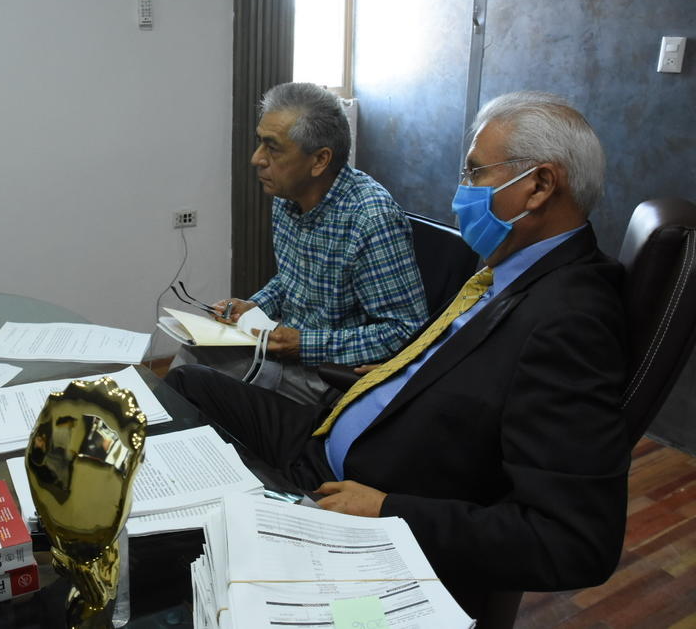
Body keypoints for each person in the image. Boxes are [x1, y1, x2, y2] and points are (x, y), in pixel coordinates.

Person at [166, 91, 629, 618]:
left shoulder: (572, 320)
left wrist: (389, 510)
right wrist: (394, 371)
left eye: (475, 173)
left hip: (366, 486)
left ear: (539, 186)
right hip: (331, 431)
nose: (460, 194)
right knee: (186, 384)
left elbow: (574, 543)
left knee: (208, 540)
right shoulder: (509, 272)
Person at [173, 82, 427, 405]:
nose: (256, 159)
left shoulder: (371, 218)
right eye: (260, 143)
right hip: (288, 352)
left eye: (272, 148)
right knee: (193, 353)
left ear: (319, 160)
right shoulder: (288, 198)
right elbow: (293, 279)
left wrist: (304, 344)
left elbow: (406, 331)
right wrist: (256, 305)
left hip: (330, 376)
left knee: (196, 382)